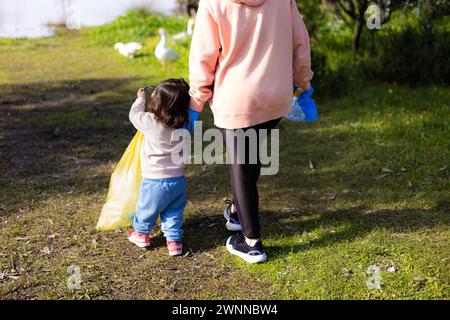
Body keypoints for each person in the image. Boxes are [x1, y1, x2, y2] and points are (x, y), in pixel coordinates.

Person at [187, 0, 314, 263]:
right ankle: (236, 212)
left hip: (236, 99)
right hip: (276, 97)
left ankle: (251, 243)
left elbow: (203, 55)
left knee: (242, 166)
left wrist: (196, 101)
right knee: (250, 155)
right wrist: (303, 81)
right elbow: (300, 41)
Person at [127, 79, 190, 257]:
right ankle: (174, 242)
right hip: (178, 179)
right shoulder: (185, 122)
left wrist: (140, 100)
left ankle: (141, 234)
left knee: (147, 207)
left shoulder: (150, 121)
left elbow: (134, 114)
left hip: (154, 179)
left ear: (157, 102)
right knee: (174, 211)